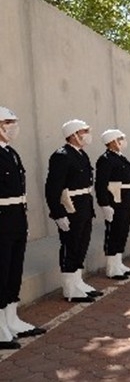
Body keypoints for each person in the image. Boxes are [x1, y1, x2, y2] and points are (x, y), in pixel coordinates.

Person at [0, 107, 45, 350]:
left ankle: (10, 318)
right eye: (9, 122)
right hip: (1, 218)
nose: (14, 126)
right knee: (1, 269)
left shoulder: (12, 153)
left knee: (14, 269)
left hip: (16, 217)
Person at [45, 119, 103, 303]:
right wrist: (58, 213)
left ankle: (78, 282)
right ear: (73, 135)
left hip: (84, 206)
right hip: (70, 209)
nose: (87, 134)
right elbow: (53, 188)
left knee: (81, 244)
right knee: (70, 245)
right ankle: (69, 288)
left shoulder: (81, 155)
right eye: (84, 131)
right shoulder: (62, 155)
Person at [95, 129, 130, 280]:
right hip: (115, 202)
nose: (123, 141)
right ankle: (112, 267)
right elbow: (101, 184)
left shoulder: (121, 158)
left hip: (125, 201)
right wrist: (104, 204)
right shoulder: (106, 159)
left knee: (122, 232)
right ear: (113, 141)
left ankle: (118, 263)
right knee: (113, 233)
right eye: (121, 138)